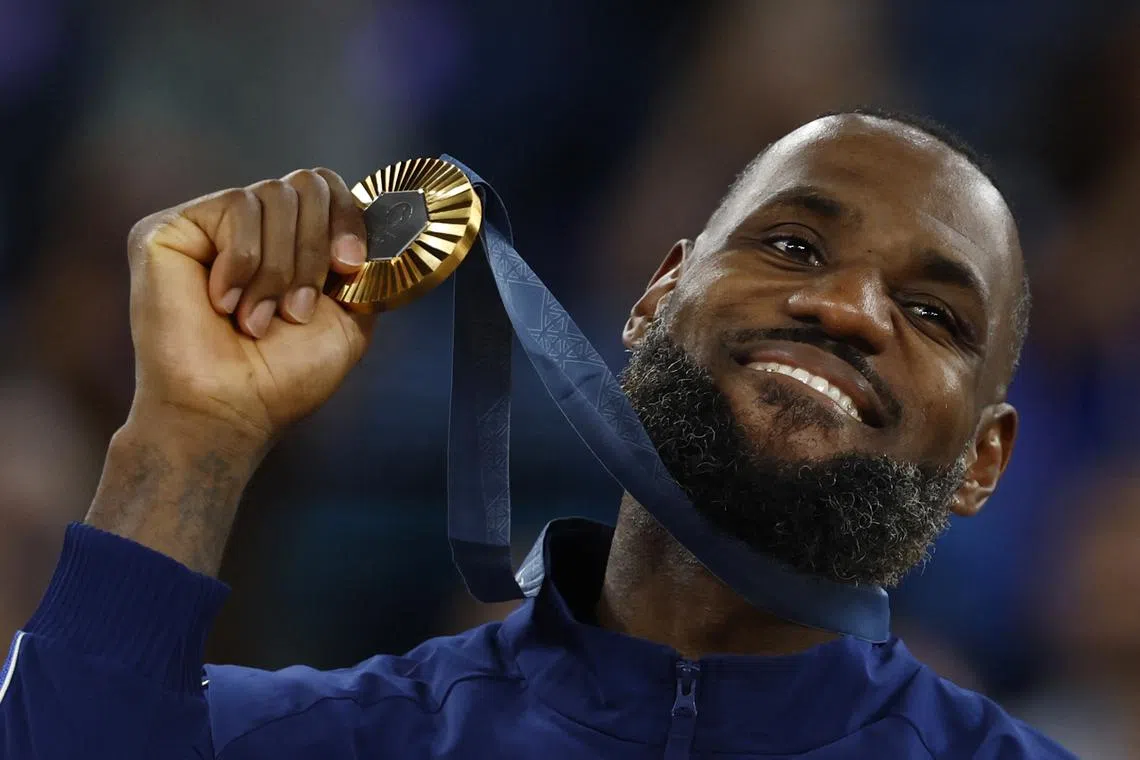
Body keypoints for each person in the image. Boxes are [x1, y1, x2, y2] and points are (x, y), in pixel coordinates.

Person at [0, 110, 1074, 758]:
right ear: (656, 298)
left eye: (933, 314)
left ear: (983, 462)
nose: (844, 309)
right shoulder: (324, 740)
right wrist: (190, 430)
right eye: (792, 246)